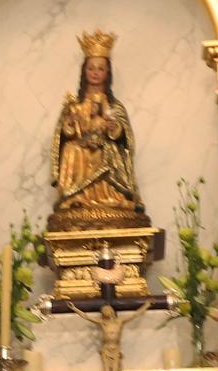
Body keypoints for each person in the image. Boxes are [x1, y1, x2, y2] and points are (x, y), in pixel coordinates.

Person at [49, 30, 149, 230]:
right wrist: (71, 123)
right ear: (84, 72)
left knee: (107, 151)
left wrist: (115, 129)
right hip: (81, 147)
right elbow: (64, 136)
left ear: (107, 73)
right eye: (91, 68)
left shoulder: (115, 106)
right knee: (72, 150)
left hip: (106, 148)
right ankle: (76, 199)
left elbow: (125, 139)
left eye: (100, 69)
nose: (95, 73)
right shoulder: (74, 104)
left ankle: (112, 197)